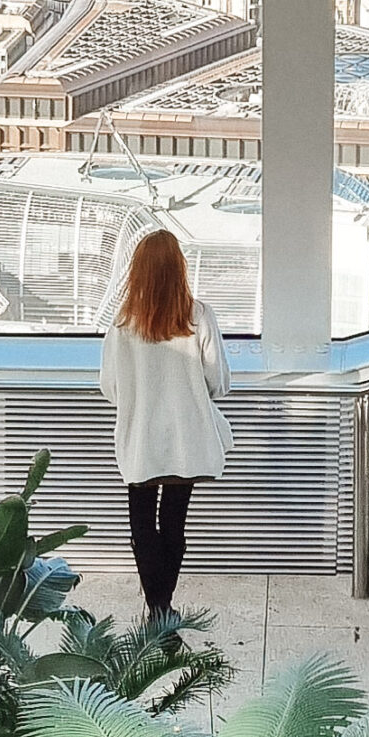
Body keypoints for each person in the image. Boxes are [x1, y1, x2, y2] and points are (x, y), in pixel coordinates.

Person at [98, 226, 231, 622]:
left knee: (141, 525)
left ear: (137, 272)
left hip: (140, 441)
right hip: (185, 441)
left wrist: (142, 396)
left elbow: (110, 388)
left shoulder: (122, 325)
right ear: (179, 269)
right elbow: (218, 383)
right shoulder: (198, 317)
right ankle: (162, 611)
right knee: (174, 522)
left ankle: (158, 610)